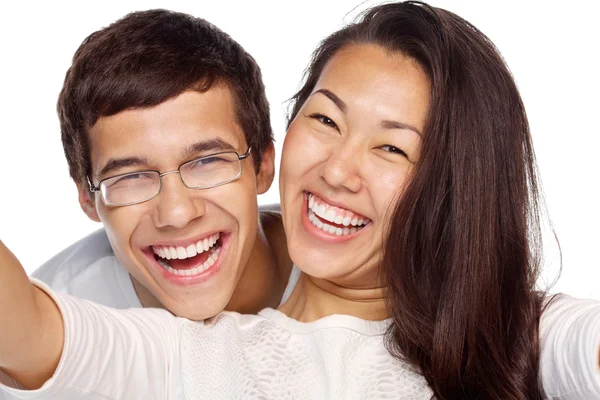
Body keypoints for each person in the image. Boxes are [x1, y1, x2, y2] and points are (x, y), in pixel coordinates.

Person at [1, 2, 599, 399]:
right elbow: (30, 330)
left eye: (392, 149)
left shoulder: (513, 331)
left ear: (261, 159)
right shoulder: (180, 351)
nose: (337, 170)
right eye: (325, 120)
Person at [22, 9, 294, 320]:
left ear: (263, 165)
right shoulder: (52, 318)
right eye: (132, 177)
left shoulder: (346, 265)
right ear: (88, 198)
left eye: (206, 161)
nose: (177, 215)